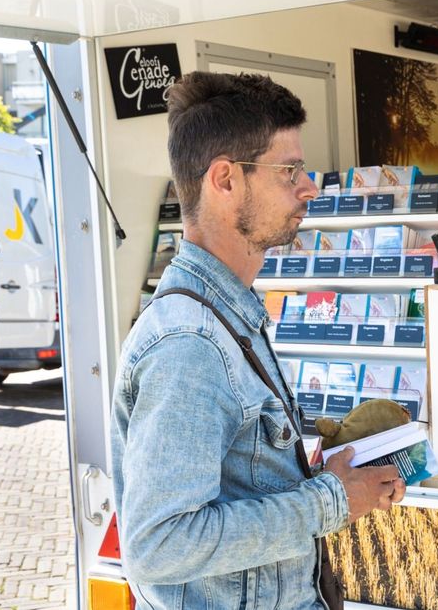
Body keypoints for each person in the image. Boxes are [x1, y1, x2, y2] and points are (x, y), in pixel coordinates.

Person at [110, 72, 405, 610]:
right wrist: (331, 500)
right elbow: (159, 544)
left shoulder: (227, 315)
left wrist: (321, 475)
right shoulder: (189, 344)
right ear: (225, 180)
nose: (309, 186)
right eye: (289, 169)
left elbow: (238, 486)